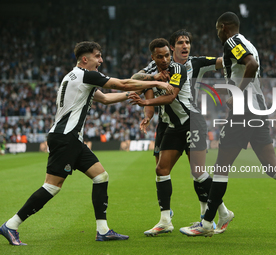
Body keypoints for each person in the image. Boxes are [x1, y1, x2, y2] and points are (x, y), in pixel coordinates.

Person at [0, 41, 172, 246]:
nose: (100, 60)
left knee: (101, 176)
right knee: (52, 187)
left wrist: (131, 94)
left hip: (71, 138)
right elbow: (123, 83)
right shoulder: (86, 75)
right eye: (97, 56)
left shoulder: (73, 77)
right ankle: (11, 224)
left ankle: (103, 230)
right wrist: (156, 83)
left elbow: (107, 99)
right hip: (66, 138)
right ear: (85, 59)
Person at [179, 12, 276, 237]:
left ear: (224, 27)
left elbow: (252, 64)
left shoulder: (232, 41)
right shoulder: (248, 42)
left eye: (217, 29)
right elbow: (251, 63)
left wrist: (235, 93)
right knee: (272, 167)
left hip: (243, 110)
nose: (217, 33)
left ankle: (207, 224)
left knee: (221, 168)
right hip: (258, 109)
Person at [133, 30, 234, 236]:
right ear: (154, 56)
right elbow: (135, 79)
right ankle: (165, 221)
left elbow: (170, 96)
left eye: (166, 56)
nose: (164, 59)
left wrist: (146, 101)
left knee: (197, 172)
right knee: (161, 170)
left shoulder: (179, 68)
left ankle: (220, 211)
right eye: (159, 56)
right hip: (171, 126)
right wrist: (151, 83)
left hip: (192, 122)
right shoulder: (153, 70)